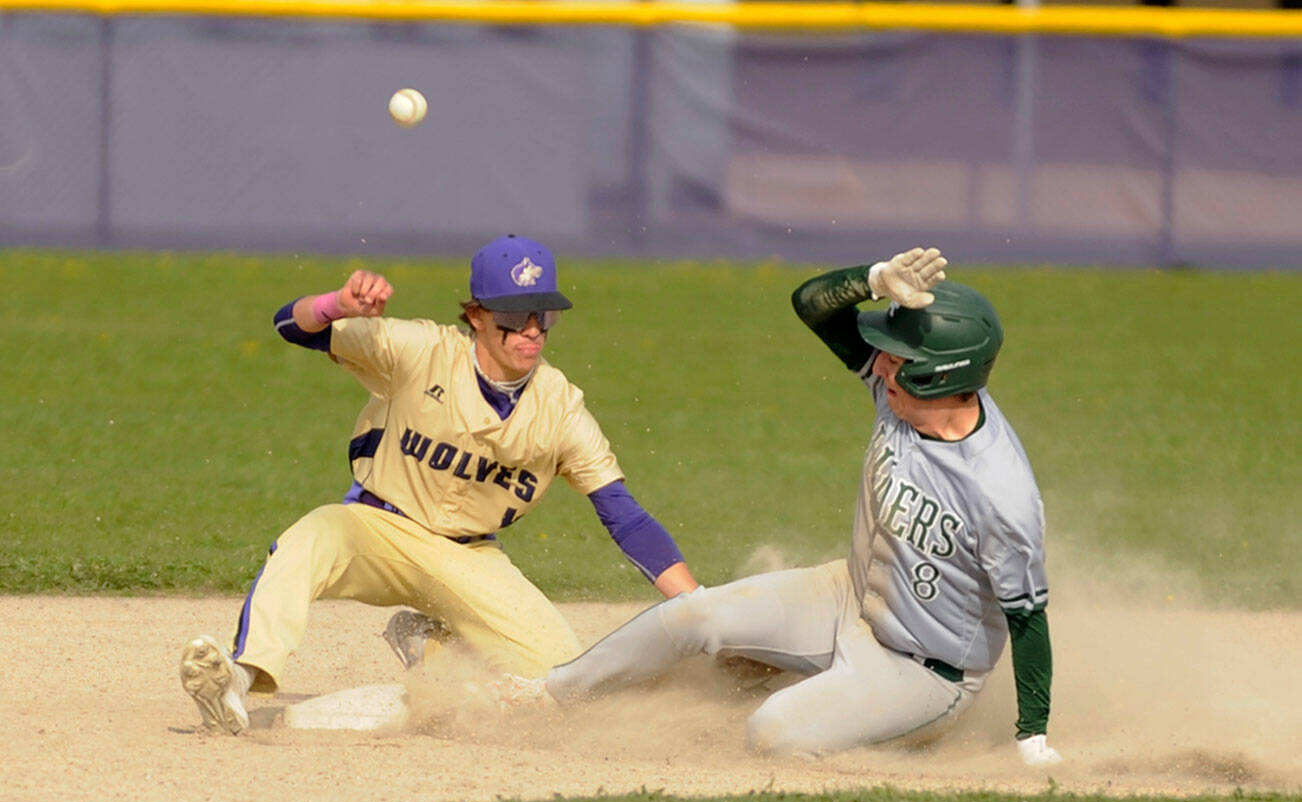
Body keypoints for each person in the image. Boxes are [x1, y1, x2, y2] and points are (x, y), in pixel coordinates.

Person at [499, 247, 1062, 766]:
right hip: (850, 598)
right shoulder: (900, 397)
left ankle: (837, 702)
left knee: (773, 734)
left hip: (924, 672)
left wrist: (1031, 737)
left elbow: (1027, 617)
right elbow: (811, 306)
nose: (882, 364)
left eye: (898, 357)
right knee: (696, 614)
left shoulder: (1001, 491)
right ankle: (552, 694)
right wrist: (868, 281)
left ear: (936, 375)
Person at [179, 234, 699, 735]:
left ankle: (433, 645)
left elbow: (624, 515)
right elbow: (291, 326)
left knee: (562, 681)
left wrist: (699, 608)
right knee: (311, 538)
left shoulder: (560, 406)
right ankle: (240, 678)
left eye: (546, 315)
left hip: (470, 560)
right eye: (516, 316)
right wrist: (337, 302)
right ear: (476, 316)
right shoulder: (420, 349)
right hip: (377, 528)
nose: (533, 330)